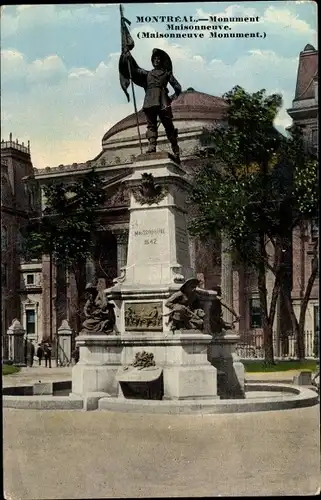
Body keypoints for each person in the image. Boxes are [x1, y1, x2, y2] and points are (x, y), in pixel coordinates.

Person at [122, 48, 182, 161]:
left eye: (158, 59)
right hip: (150, 101)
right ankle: (152, 145)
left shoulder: (167, 73)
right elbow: (135, 70)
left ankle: (175, 148)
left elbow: (177, 87)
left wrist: (172, 97)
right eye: (154, 59)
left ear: (162, 61)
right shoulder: (147, 73)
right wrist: (128, 57)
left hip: (163, 100)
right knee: (151, 125)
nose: (156, 60)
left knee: (168, 125)